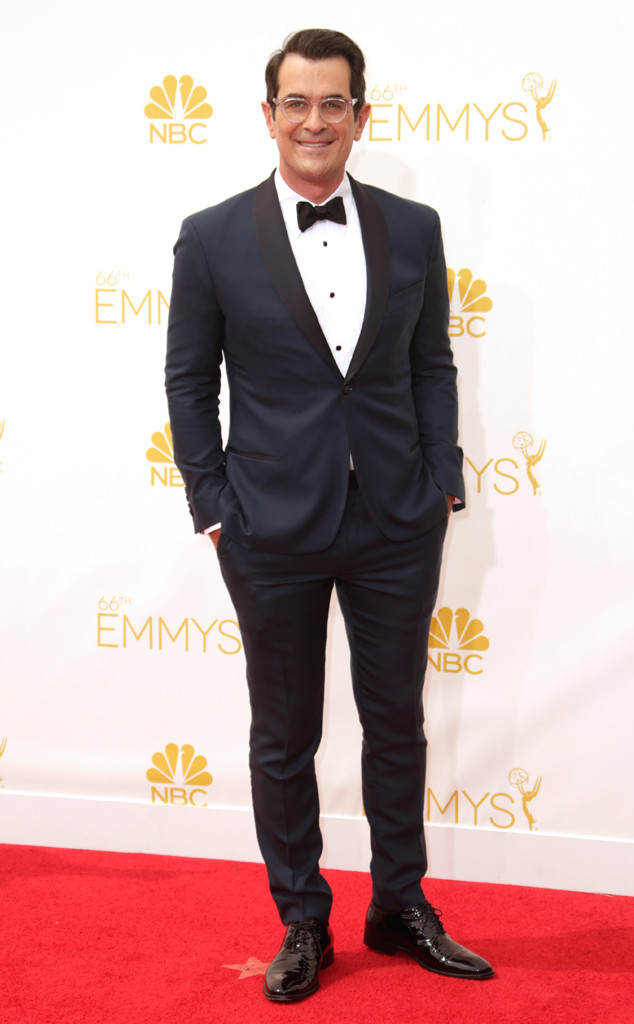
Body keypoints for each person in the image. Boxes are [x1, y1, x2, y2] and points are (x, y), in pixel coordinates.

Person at [165, 28, 494, 1002]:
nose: (316, 120)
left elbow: (431, 362)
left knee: (397, 722)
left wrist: (442, 477)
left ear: (360, 114)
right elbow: (189, 380)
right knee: (285, 733)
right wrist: (214, 502)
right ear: (269, 115)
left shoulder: (415, 226)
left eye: (334, 103)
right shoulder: (212, 235)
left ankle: (399, 903)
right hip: (268, 524)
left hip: (396, 517)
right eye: (298, 103)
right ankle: (303, 917)